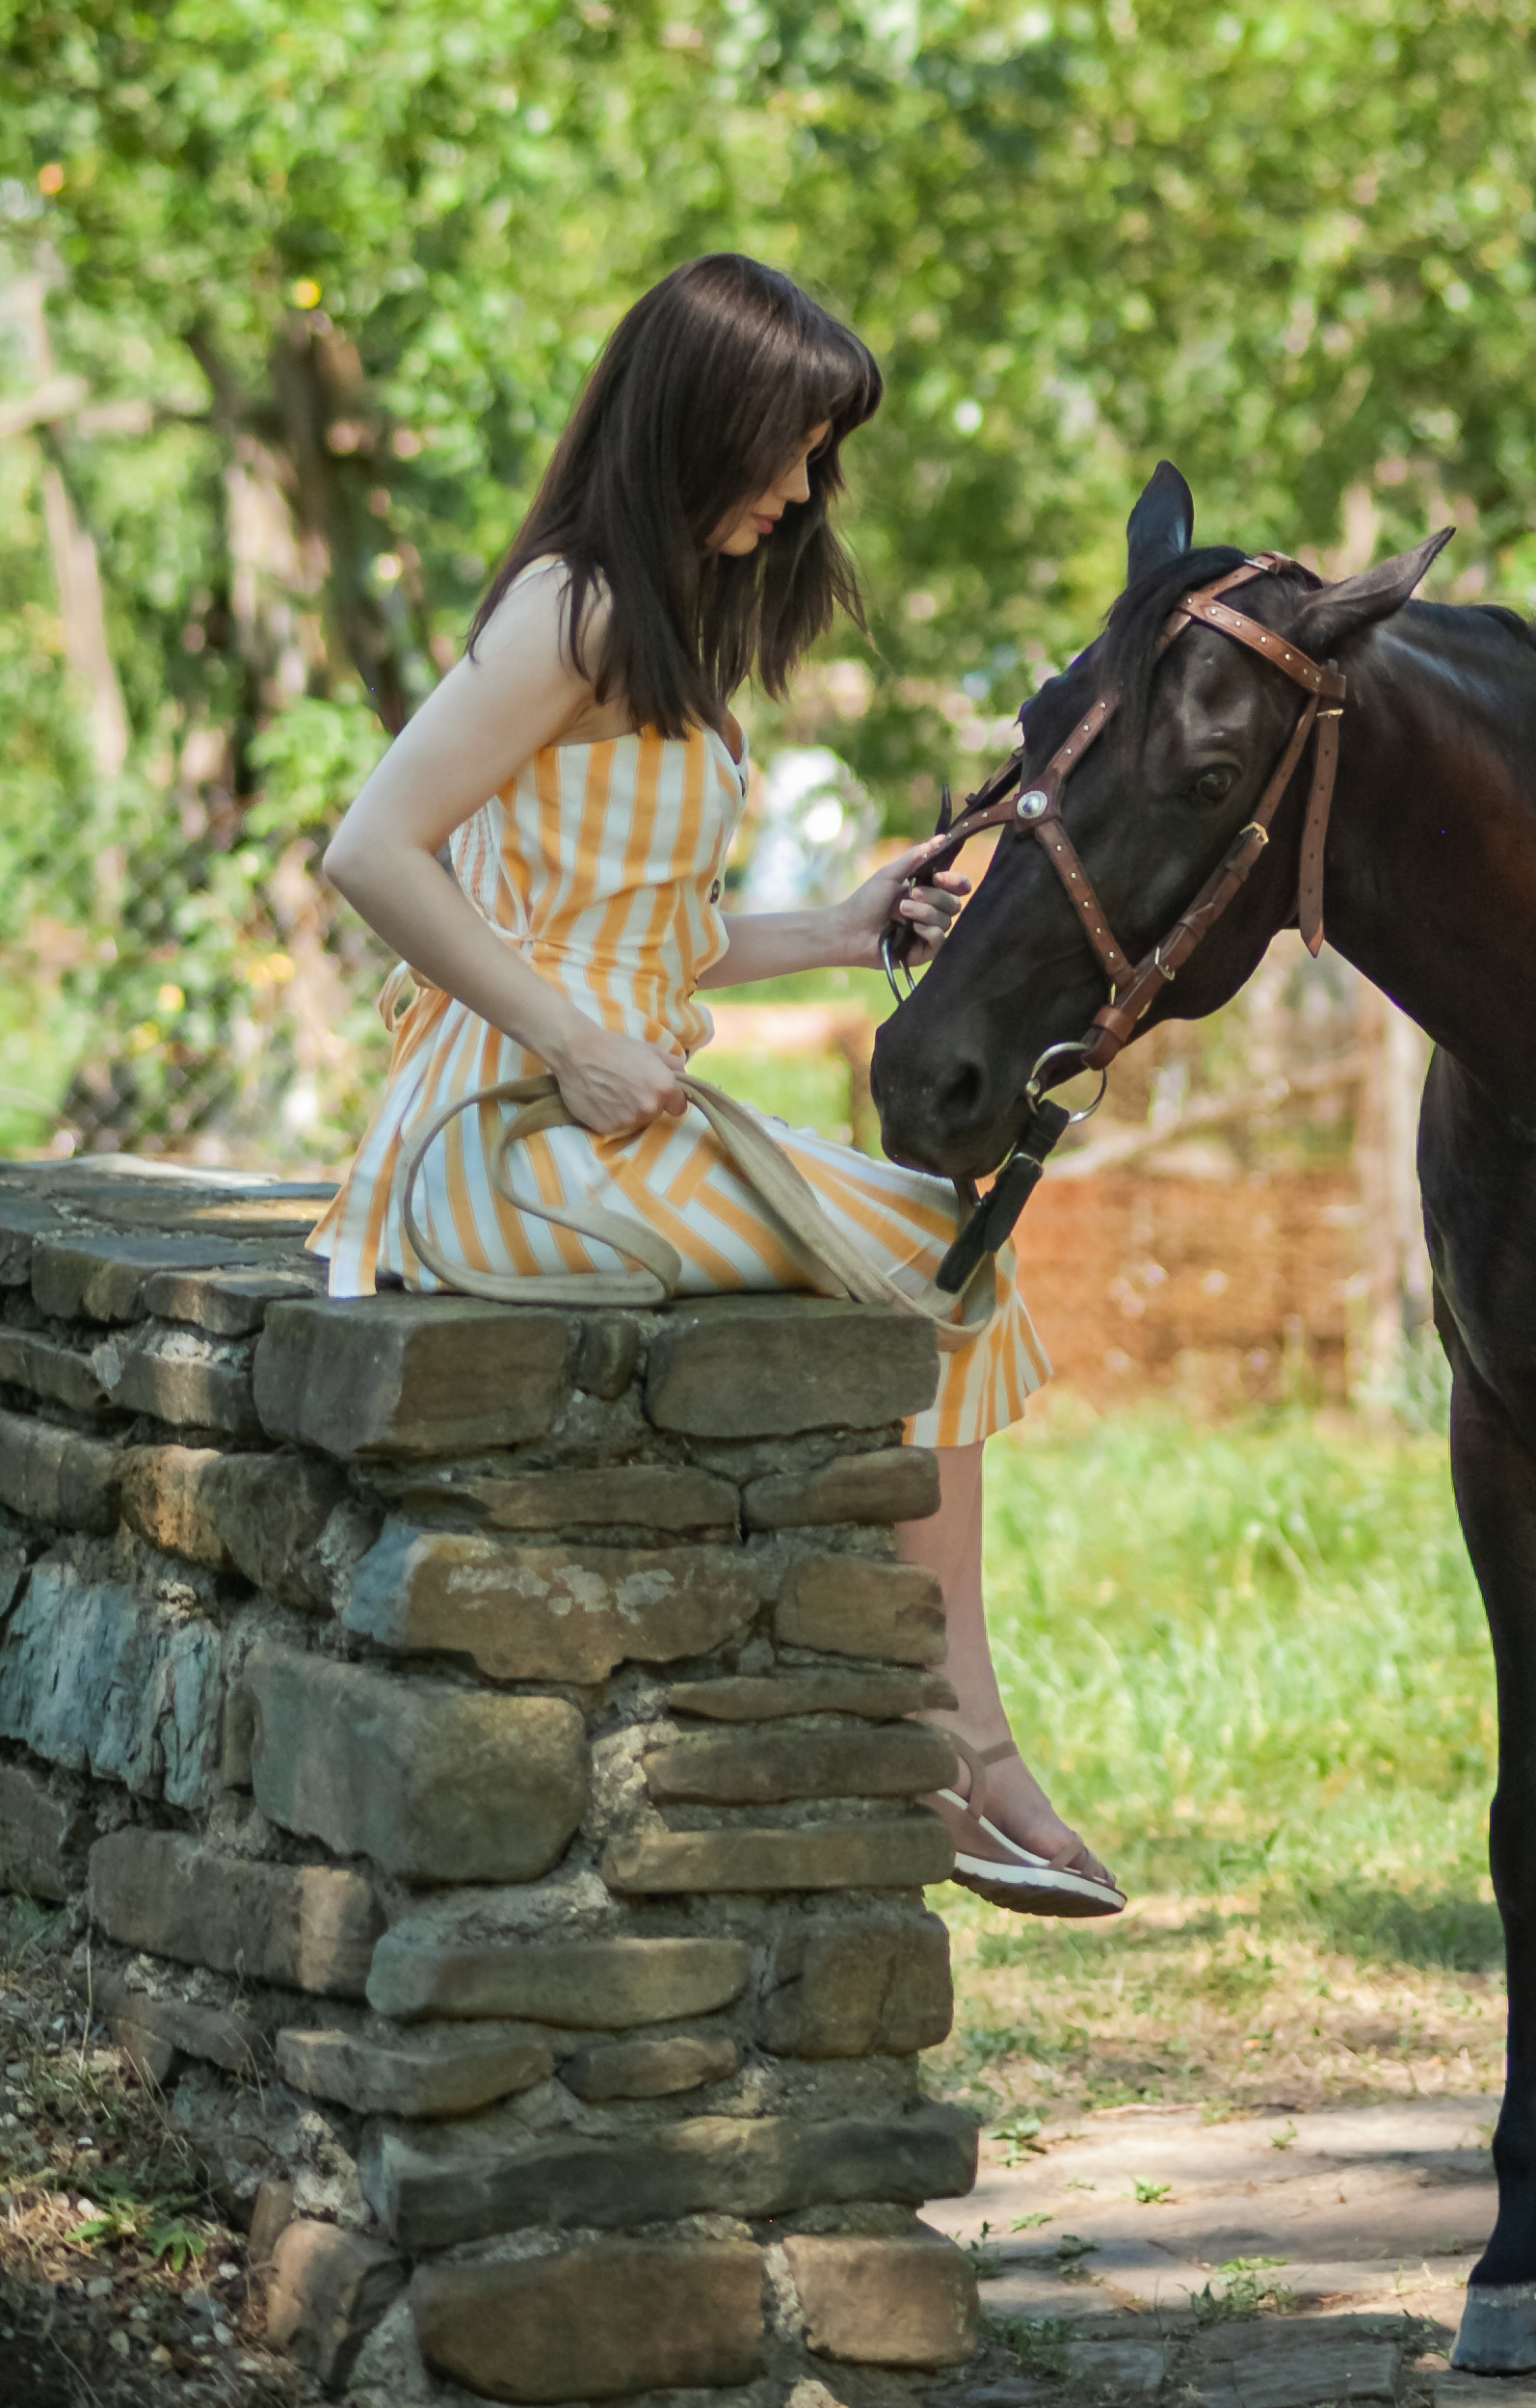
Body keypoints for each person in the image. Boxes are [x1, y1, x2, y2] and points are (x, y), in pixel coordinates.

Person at [312, 251, 1122, 1919]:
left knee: (942, 1239)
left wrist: (836, 928)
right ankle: (959, 1734)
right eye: (791, 443)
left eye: (823, 453)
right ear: (703, 417)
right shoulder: (576, 608)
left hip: (585, 1109)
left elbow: (632, 939)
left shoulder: (652, 624)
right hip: (495, 1141)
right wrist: (569, 1040)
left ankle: (950, 1725)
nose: (804, 485)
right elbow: (372, 852)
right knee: (935, 1251)